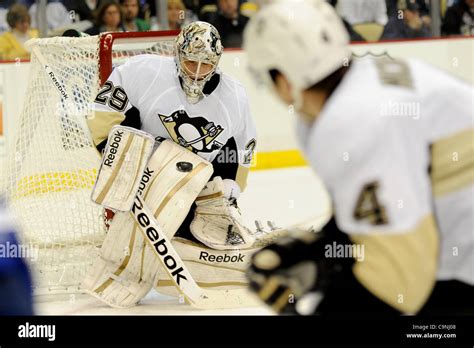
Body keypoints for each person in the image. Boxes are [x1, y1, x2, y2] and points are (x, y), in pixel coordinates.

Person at [243, 0, 473, 315]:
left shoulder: (351, 121)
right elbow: (377, 218)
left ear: (284, 81)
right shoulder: (358, 88)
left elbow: (400, 282)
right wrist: (328, 248)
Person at [83, 21, 260, 307]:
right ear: (178, 53)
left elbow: (241, 150)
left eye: (206, 65)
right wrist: (124, 161)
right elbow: (104, 114)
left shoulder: (235, 96)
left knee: (216, 248)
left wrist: (229, 190)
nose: (198, 73)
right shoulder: (142, 72)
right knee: (140, 247)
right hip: (147, 177)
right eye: (192, 62)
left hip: (198, 188)